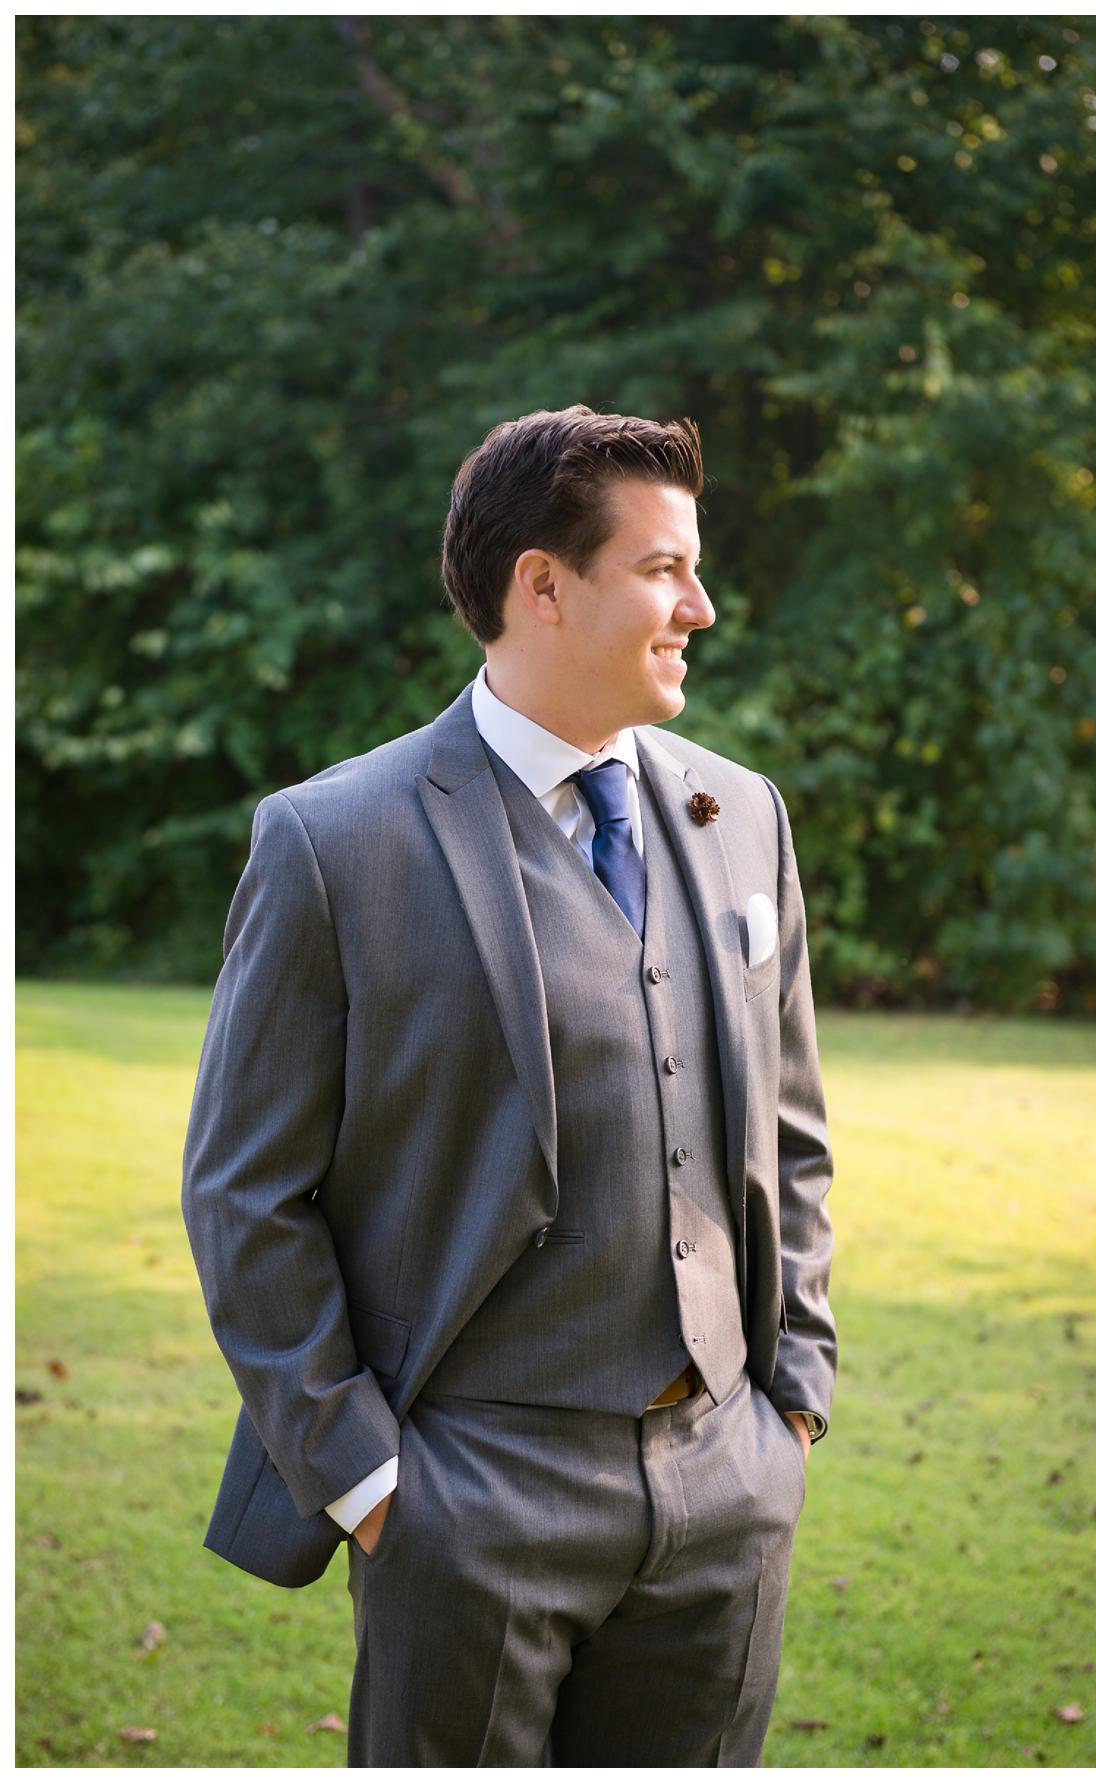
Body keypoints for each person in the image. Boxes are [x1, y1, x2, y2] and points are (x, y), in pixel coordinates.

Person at [181, 405, 835, 1765]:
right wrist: (368, 1482)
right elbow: (248, 1193)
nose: (700, 608)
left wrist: (794, 1401)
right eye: (662, 569)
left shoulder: (741, 817)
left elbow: (790, 1129)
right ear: (543, 584)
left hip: (727, 1481)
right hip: (466, 1495)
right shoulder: (333, 841)